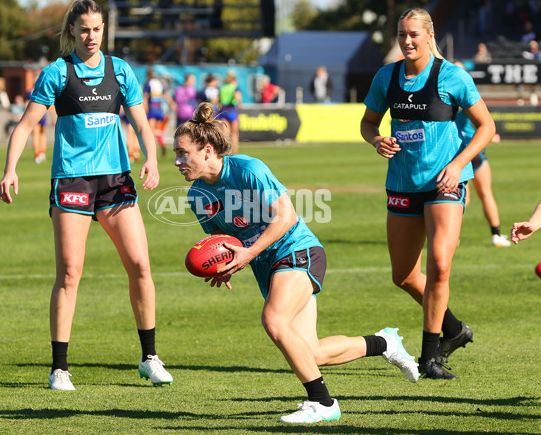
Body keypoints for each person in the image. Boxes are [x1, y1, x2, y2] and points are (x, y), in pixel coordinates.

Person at [174, 102, 419, 424]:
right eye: (175, 154)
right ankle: (384, 342)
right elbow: (224, 239)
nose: (177, 161)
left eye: (183, 153)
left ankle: (323, 402)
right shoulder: (196, 195)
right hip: (268, 265)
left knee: (275, 321)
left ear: (207, 150)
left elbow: (286, 217)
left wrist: (248, 252)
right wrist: (226, 262)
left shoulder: (248, 170)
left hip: (297, 250)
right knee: (311, 352)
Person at [0, 0, 172, 391]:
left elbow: (143, 126)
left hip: (115, 181)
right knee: (70, 274)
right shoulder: (57, 73)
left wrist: (151, 160)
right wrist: (10, 170)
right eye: (84, 29)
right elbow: (26, 127)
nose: (91, 36)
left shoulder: (120, 71)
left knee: (141, 267)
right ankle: (59, 368)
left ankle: (149, 357)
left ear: (104, 29)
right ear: (72, 30)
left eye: (97, 29)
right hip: (73, 181)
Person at [360, 8, 496, 380]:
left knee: (440, 265)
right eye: (402, 34)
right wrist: (376, 140)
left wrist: (458, 164)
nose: (407, 41)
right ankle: (453, 329)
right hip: (403, 184)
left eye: (413, 35)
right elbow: (368, 122)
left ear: (429, 35)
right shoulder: (387, 76)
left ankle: (430, 357)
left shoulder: (452, 75)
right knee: (403, 276)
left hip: (445, 184)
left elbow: (486, 126)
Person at [453, 79, 510, 247]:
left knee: (463, 197)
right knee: (485, 194)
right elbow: (485, 128)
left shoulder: (448, 106)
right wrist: (494, 137)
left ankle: (451, 234)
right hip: (474, 153)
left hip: (458, 153)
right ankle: (496, 235)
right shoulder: (469, 104)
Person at [143, 67, 176, 157]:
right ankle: (162, 145)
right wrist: (172, 104)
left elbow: (145, 98)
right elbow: (166, 95)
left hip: (151, 110)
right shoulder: (160, 83)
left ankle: (151, 152)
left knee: (150, 131)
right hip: (159, 110)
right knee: (158, 131)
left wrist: (145, 109)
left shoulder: (148, 83)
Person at [218, 70, 241, 153]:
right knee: (234, 134)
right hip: (231, 110)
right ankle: (234, 153)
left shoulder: (222, 87)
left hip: (223, 111)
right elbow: (237, 97)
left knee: (225, 135)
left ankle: (226, 152)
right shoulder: (235, 87)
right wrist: (239, 103)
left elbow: (218, 100)